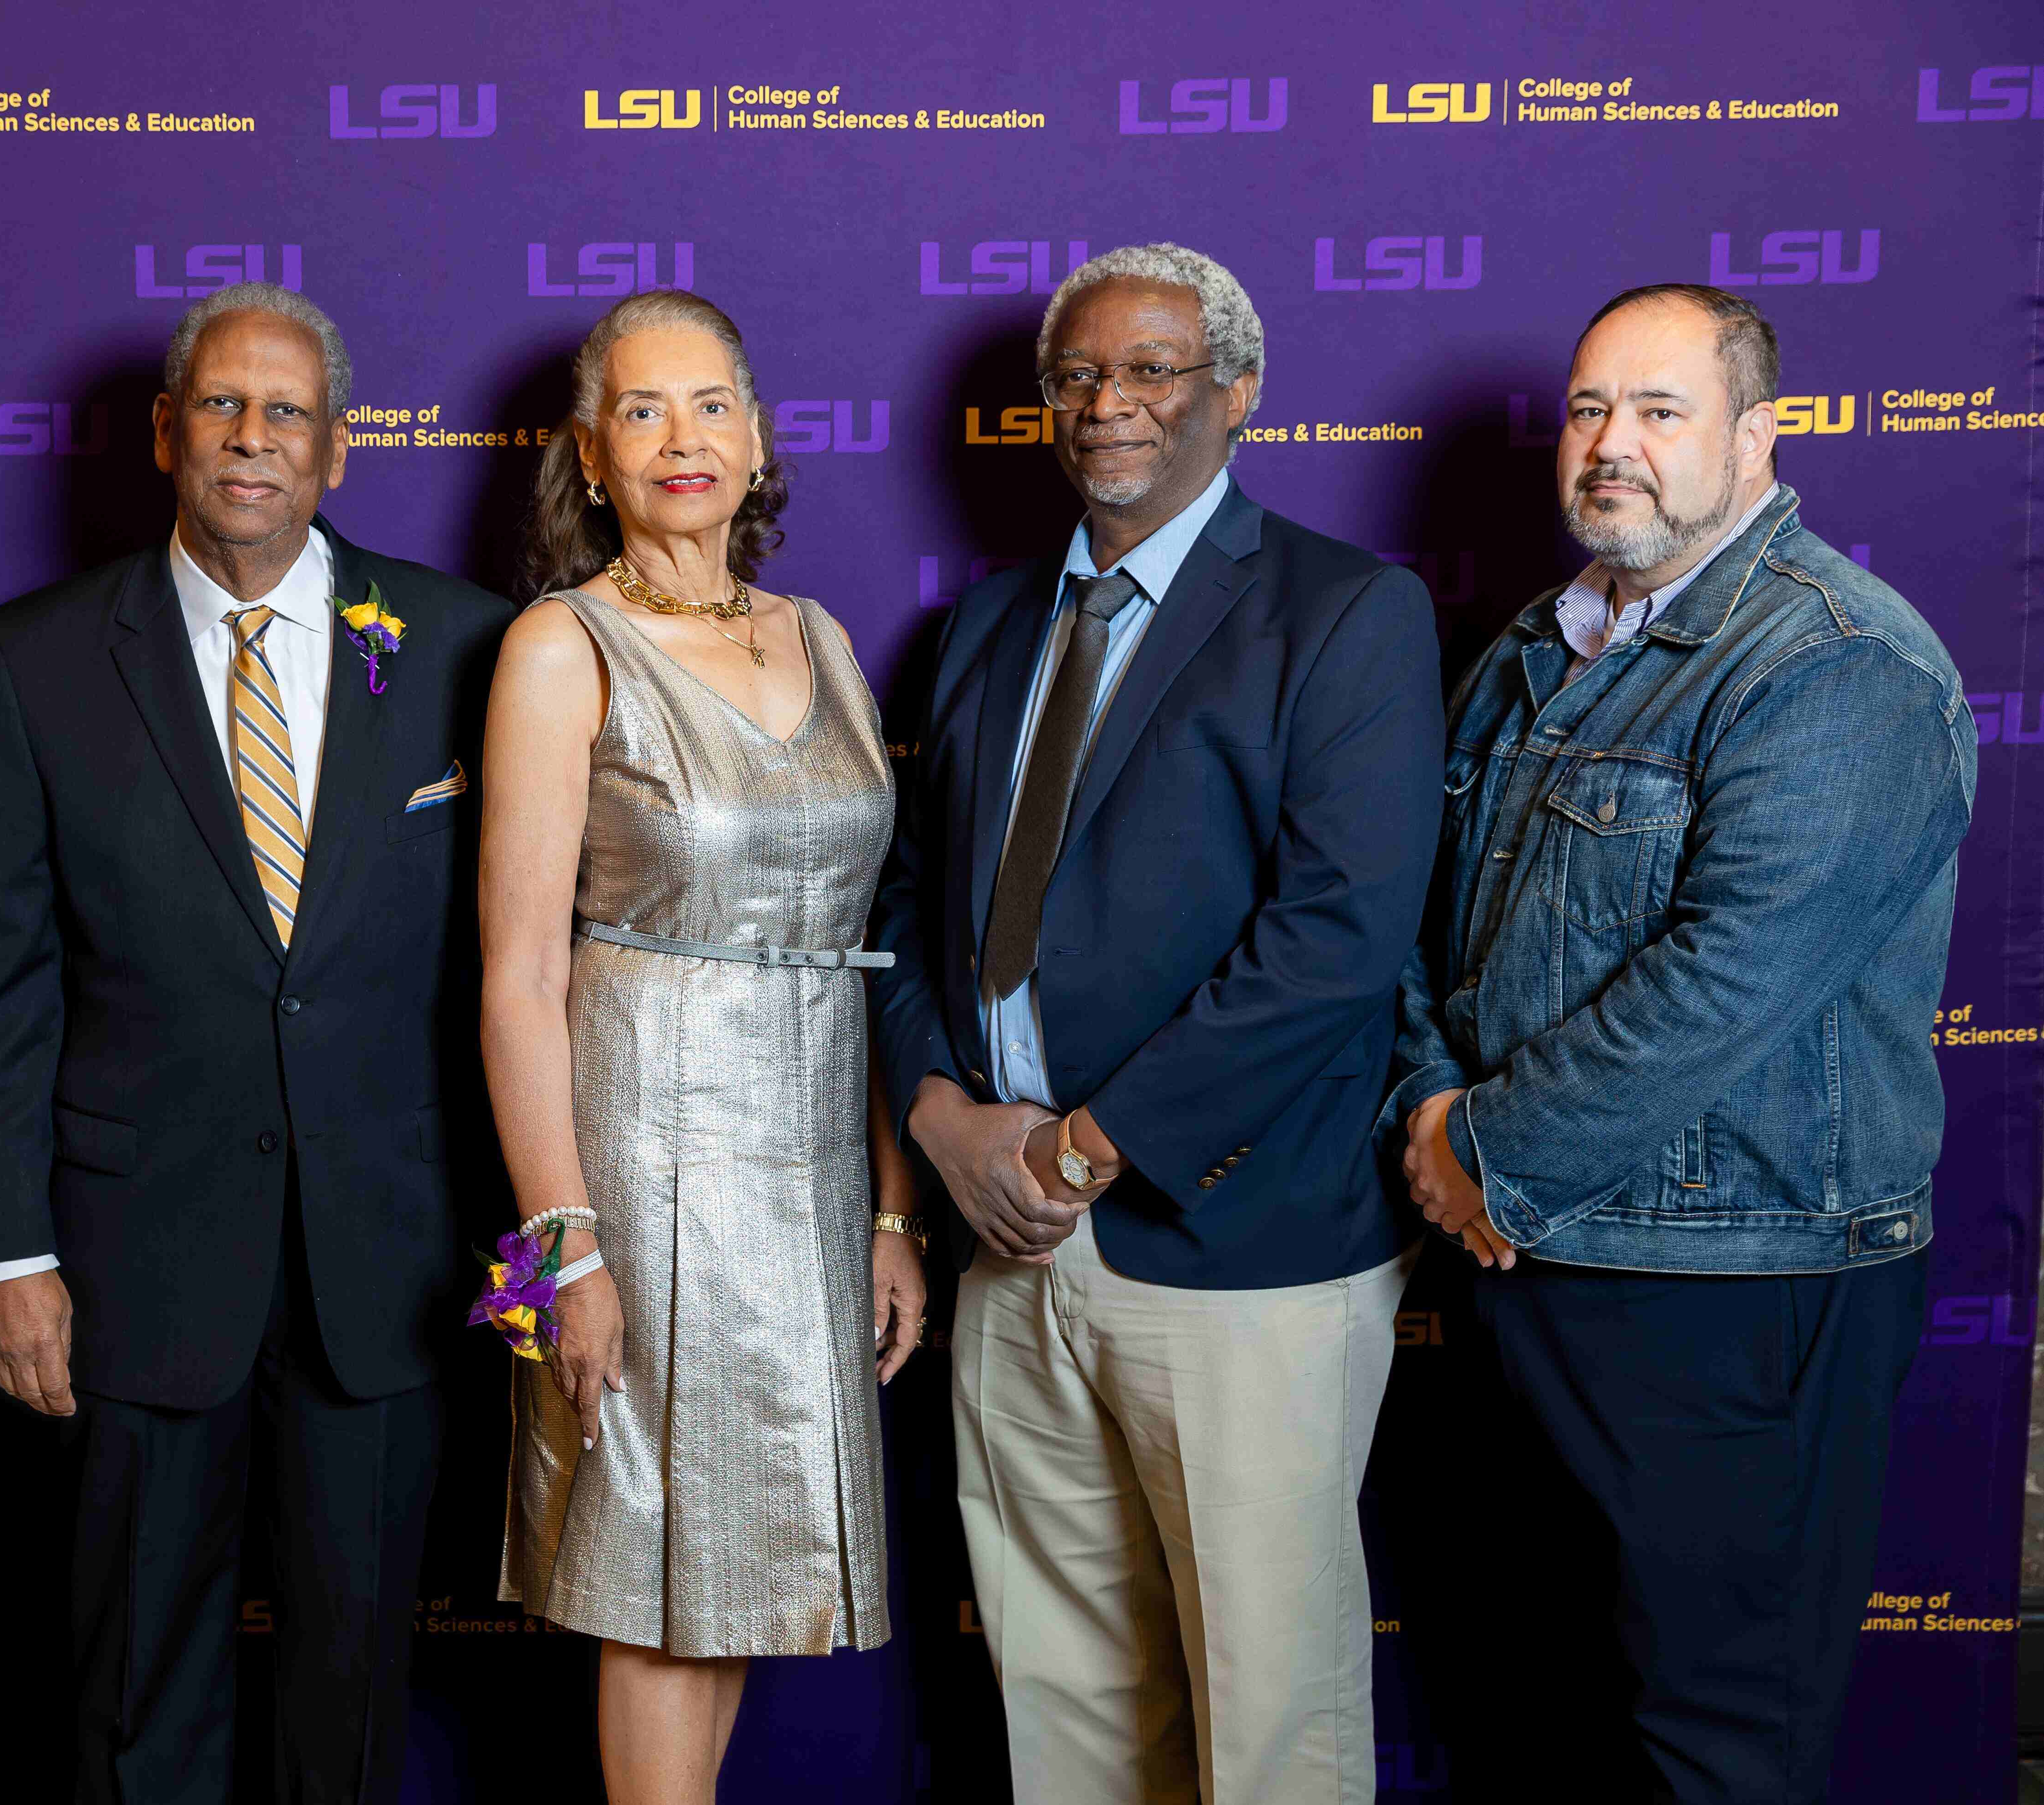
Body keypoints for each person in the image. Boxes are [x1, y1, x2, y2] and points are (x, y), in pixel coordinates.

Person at [865, 243, 1444, 1804]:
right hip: (1011, 1248)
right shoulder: (988, 626)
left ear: (1236, 394)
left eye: (1152, 370)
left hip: (1232, 1239)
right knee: (1063, 1699)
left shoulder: (1344, 613)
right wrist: (937, 1116)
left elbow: (1336, 943)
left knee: (1269, 1714)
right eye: (1076, 376)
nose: (1107, 402)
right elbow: (905, 909)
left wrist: (1086, 1147)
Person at [0, 283, 512, 1805]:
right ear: (166, 431)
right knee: (133, 1688)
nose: (254, 438)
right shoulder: (39, 655)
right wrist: (2, 1254)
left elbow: (520, 967)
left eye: (289, 414)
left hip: (387, 1260)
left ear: (335, 452)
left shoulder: (462, 642)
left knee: (357, 1685)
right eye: (225, 406)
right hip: (130, 1262)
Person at [1388, 284, 1972, 1802]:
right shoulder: (1538, 641)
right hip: (1530, 1271)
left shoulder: (1838, 662)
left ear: (1755, 438)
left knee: (1709, 1746)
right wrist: (1430, 1105)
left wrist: (1483, 1155)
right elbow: (1420, 923)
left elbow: (1723, 986)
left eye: (1659, 411)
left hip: (1735, 1293)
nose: (1612, 445)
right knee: (1538, 1718)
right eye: (1589, 409)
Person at [484, 288, 926, 1804]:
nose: (686, 438)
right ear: (591, 456)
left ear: (756, 435)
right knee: (659, 1573)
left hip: (805, 1172)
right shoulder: (561, 644)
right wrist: (565, 1250)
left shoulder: (825, 638)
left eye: (714, 403)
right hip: (638, 1165)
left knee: (736, 1565)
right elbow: (516, 980)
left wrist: (886, 1208)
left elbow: (862, 948)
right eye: (645, 409)